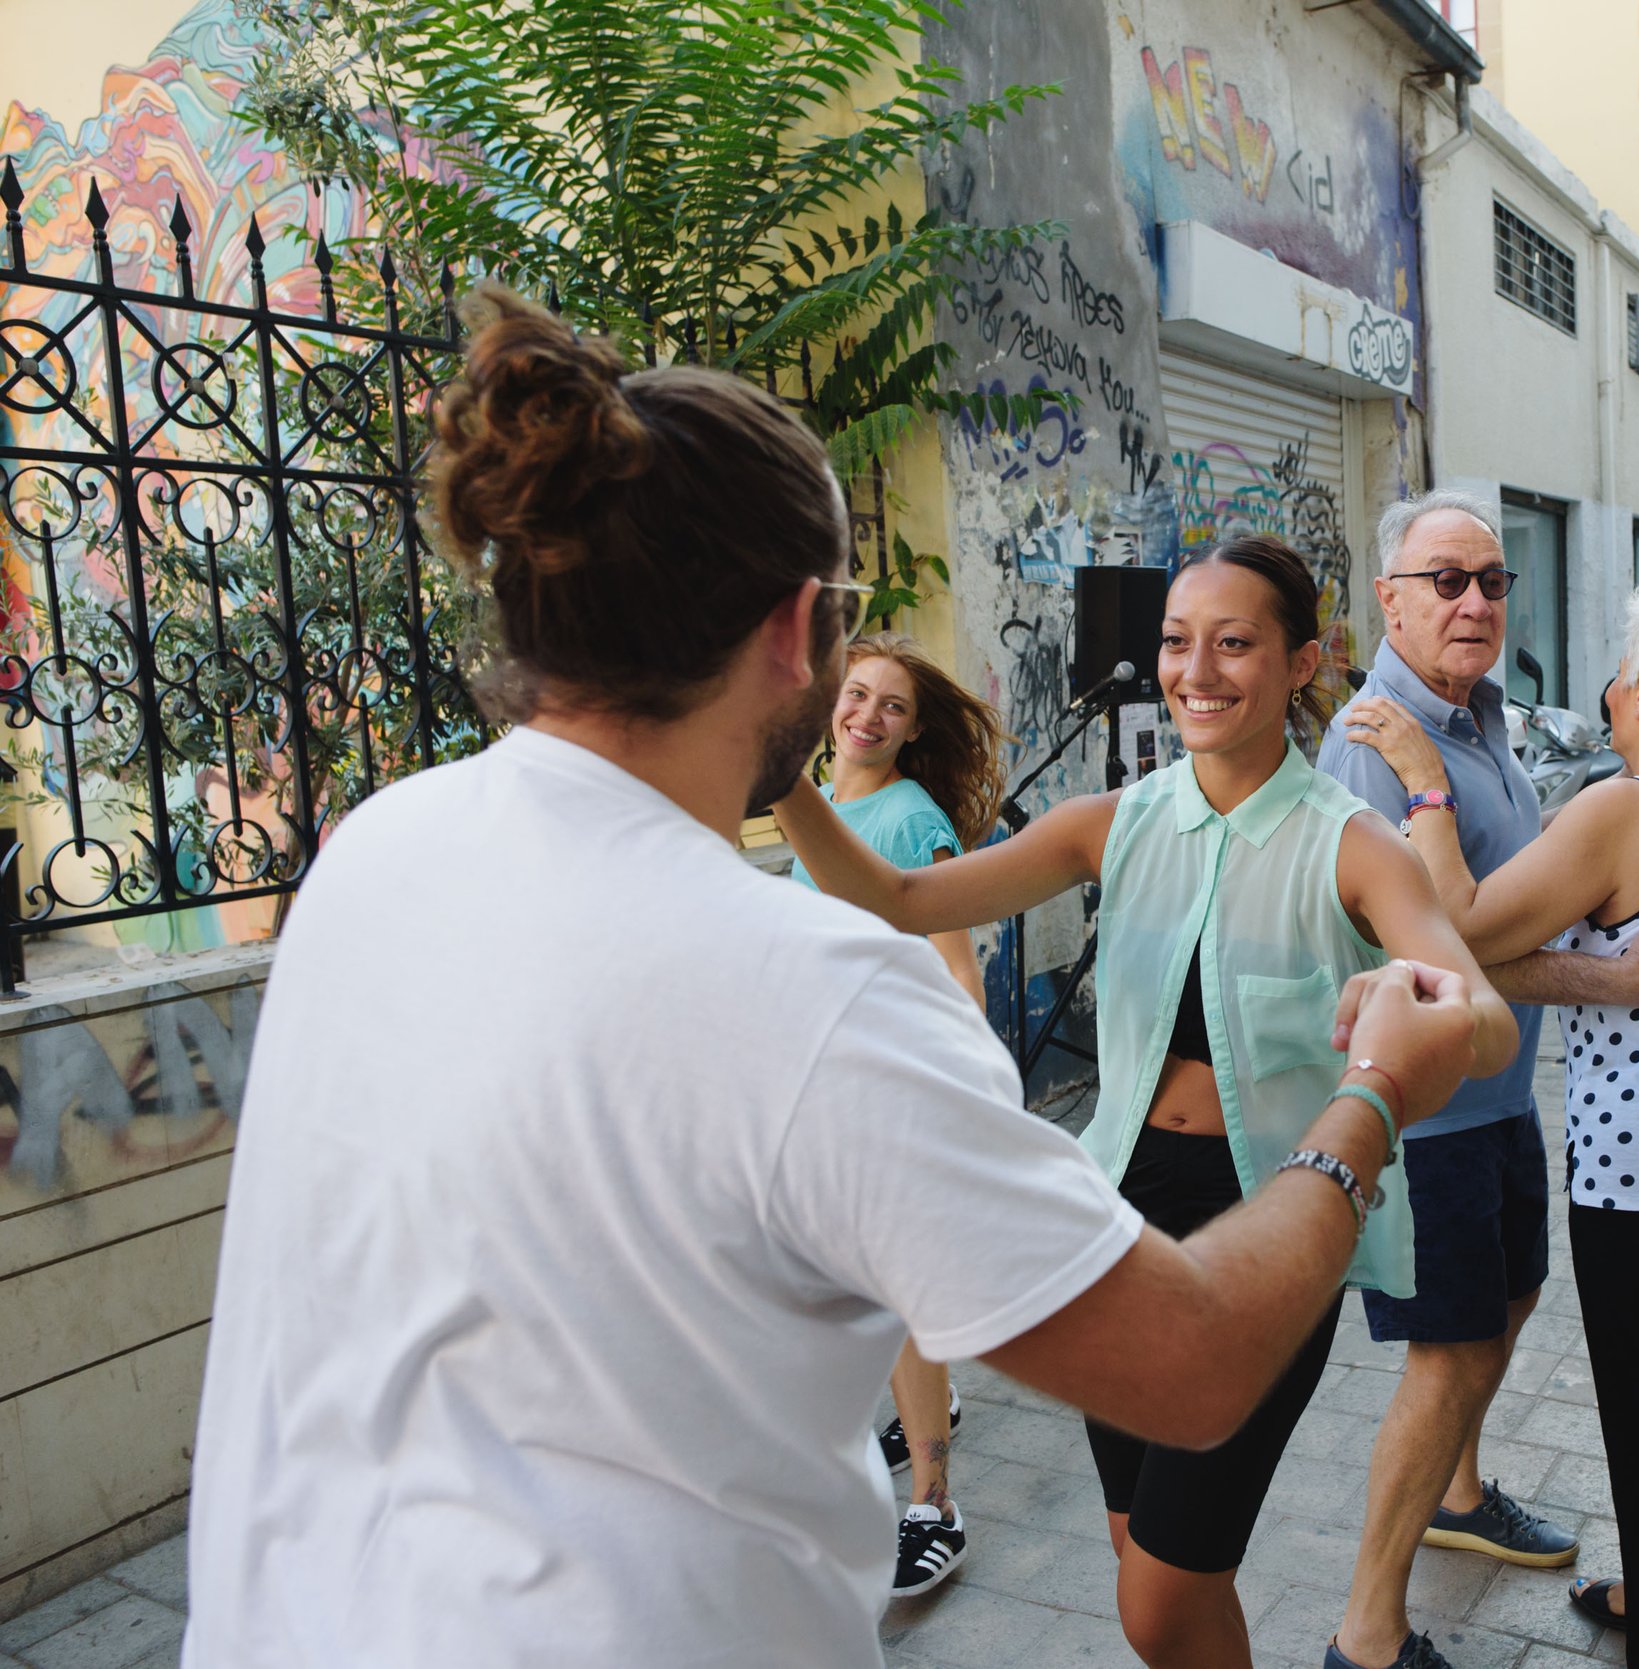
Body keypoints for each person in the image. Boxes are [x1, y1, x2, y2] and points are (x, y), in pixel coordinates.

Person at [183, 289, 1481, 1669]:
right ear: (800, 630)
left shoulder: (371, 853)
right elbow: (1193, 1361)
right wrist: (1369, 1100)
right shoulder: (820, 991)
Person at [775, 531, 1518, 1669]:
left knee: (1161, 1597)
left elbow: (1488, 1020)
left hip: (1269, 1238)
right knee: (1148, 1565)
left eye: (1234, 643)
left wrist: (1417, 998)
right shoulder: (1112, 823)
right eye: (1177, 642)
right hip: (1113, 1226)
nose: (1196, 671)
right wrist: (778, 767)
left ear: (1301, 661)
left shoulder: (1351, 844)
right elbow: (899, 895)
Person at [1345, 579, 1639, 1664]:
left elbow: (1456, 926)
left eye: (1617, 670)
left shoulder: (1624, 810)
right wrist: (1614, 975)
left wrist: (1425, 784)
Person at [791, 632, 1008, 1597]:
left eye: (892, 706)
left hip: (891, 1085)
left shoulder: (913, 821)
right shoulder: (820, 801)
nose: (867, 715)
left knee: (899, 1294)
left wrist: (943, 1089)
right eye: (857, 694)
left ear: (915, 731)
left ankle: (934, 1504)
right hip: (825, 1081)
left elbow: (962, 973)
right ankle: (929, 1409)